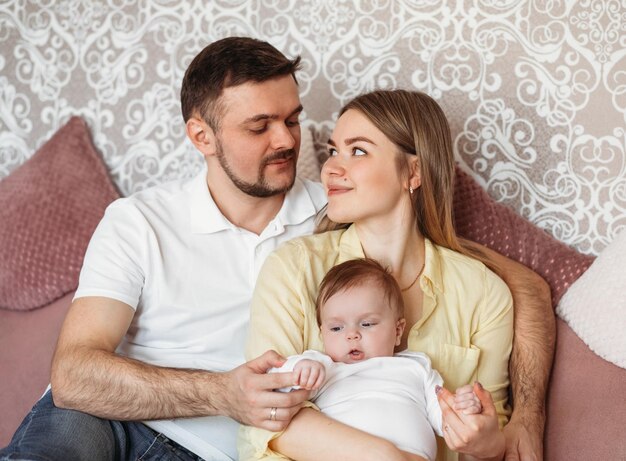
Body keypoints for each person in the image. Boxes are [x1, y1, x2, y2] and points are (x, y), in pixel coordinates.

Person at [0, 37, 553, 461]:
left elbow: (516, 281)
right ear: (202, 137)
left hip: (223, 450)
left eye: (291, 119)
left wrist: (525, 415)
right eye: (260, 126)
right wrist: (223, 393)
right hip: (112, 421)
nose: (288, 141)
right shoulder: (139, 221)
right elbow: (75, 374)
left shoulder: (333, 209)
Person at [241, 89, 519, 461]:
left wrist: (485, 442)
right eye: (332, 150)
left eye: (358, 151)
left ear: (414, 172)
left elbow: (493, 430)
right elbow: (264, 416)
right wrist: (387, 456)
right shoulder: (293, 268)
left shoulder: (484, 293)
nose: (331, 168)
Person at [262, 258, 483, 461]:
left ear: (398, 331)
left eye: (366, 324)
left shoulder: (416, 367)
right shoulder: (323, 365)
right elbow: (274, 386)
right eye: (337, 328)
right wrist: (300, 369)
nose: (351, 335)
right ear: (322, 335)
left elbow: (445, 418)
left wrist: (462, 407)